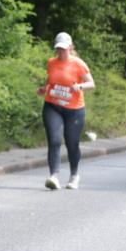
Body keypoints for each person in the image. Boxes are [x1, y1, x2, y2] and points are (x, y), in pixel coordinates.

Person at [37, 32, 96, 190]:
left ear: (70, 47)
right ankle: (53, 176)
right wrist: (44, 88)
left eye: (63, 49)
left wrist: (80, 86)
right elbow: (50, 81)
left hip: (74, 110)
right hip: (52, 105)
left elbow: (91, 83)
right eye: (58, 49)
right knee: (54, 140)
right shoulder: (51, 62)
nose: (60, 52)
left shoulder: (78, 64)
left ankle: (74, 175)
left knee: (72, 144)